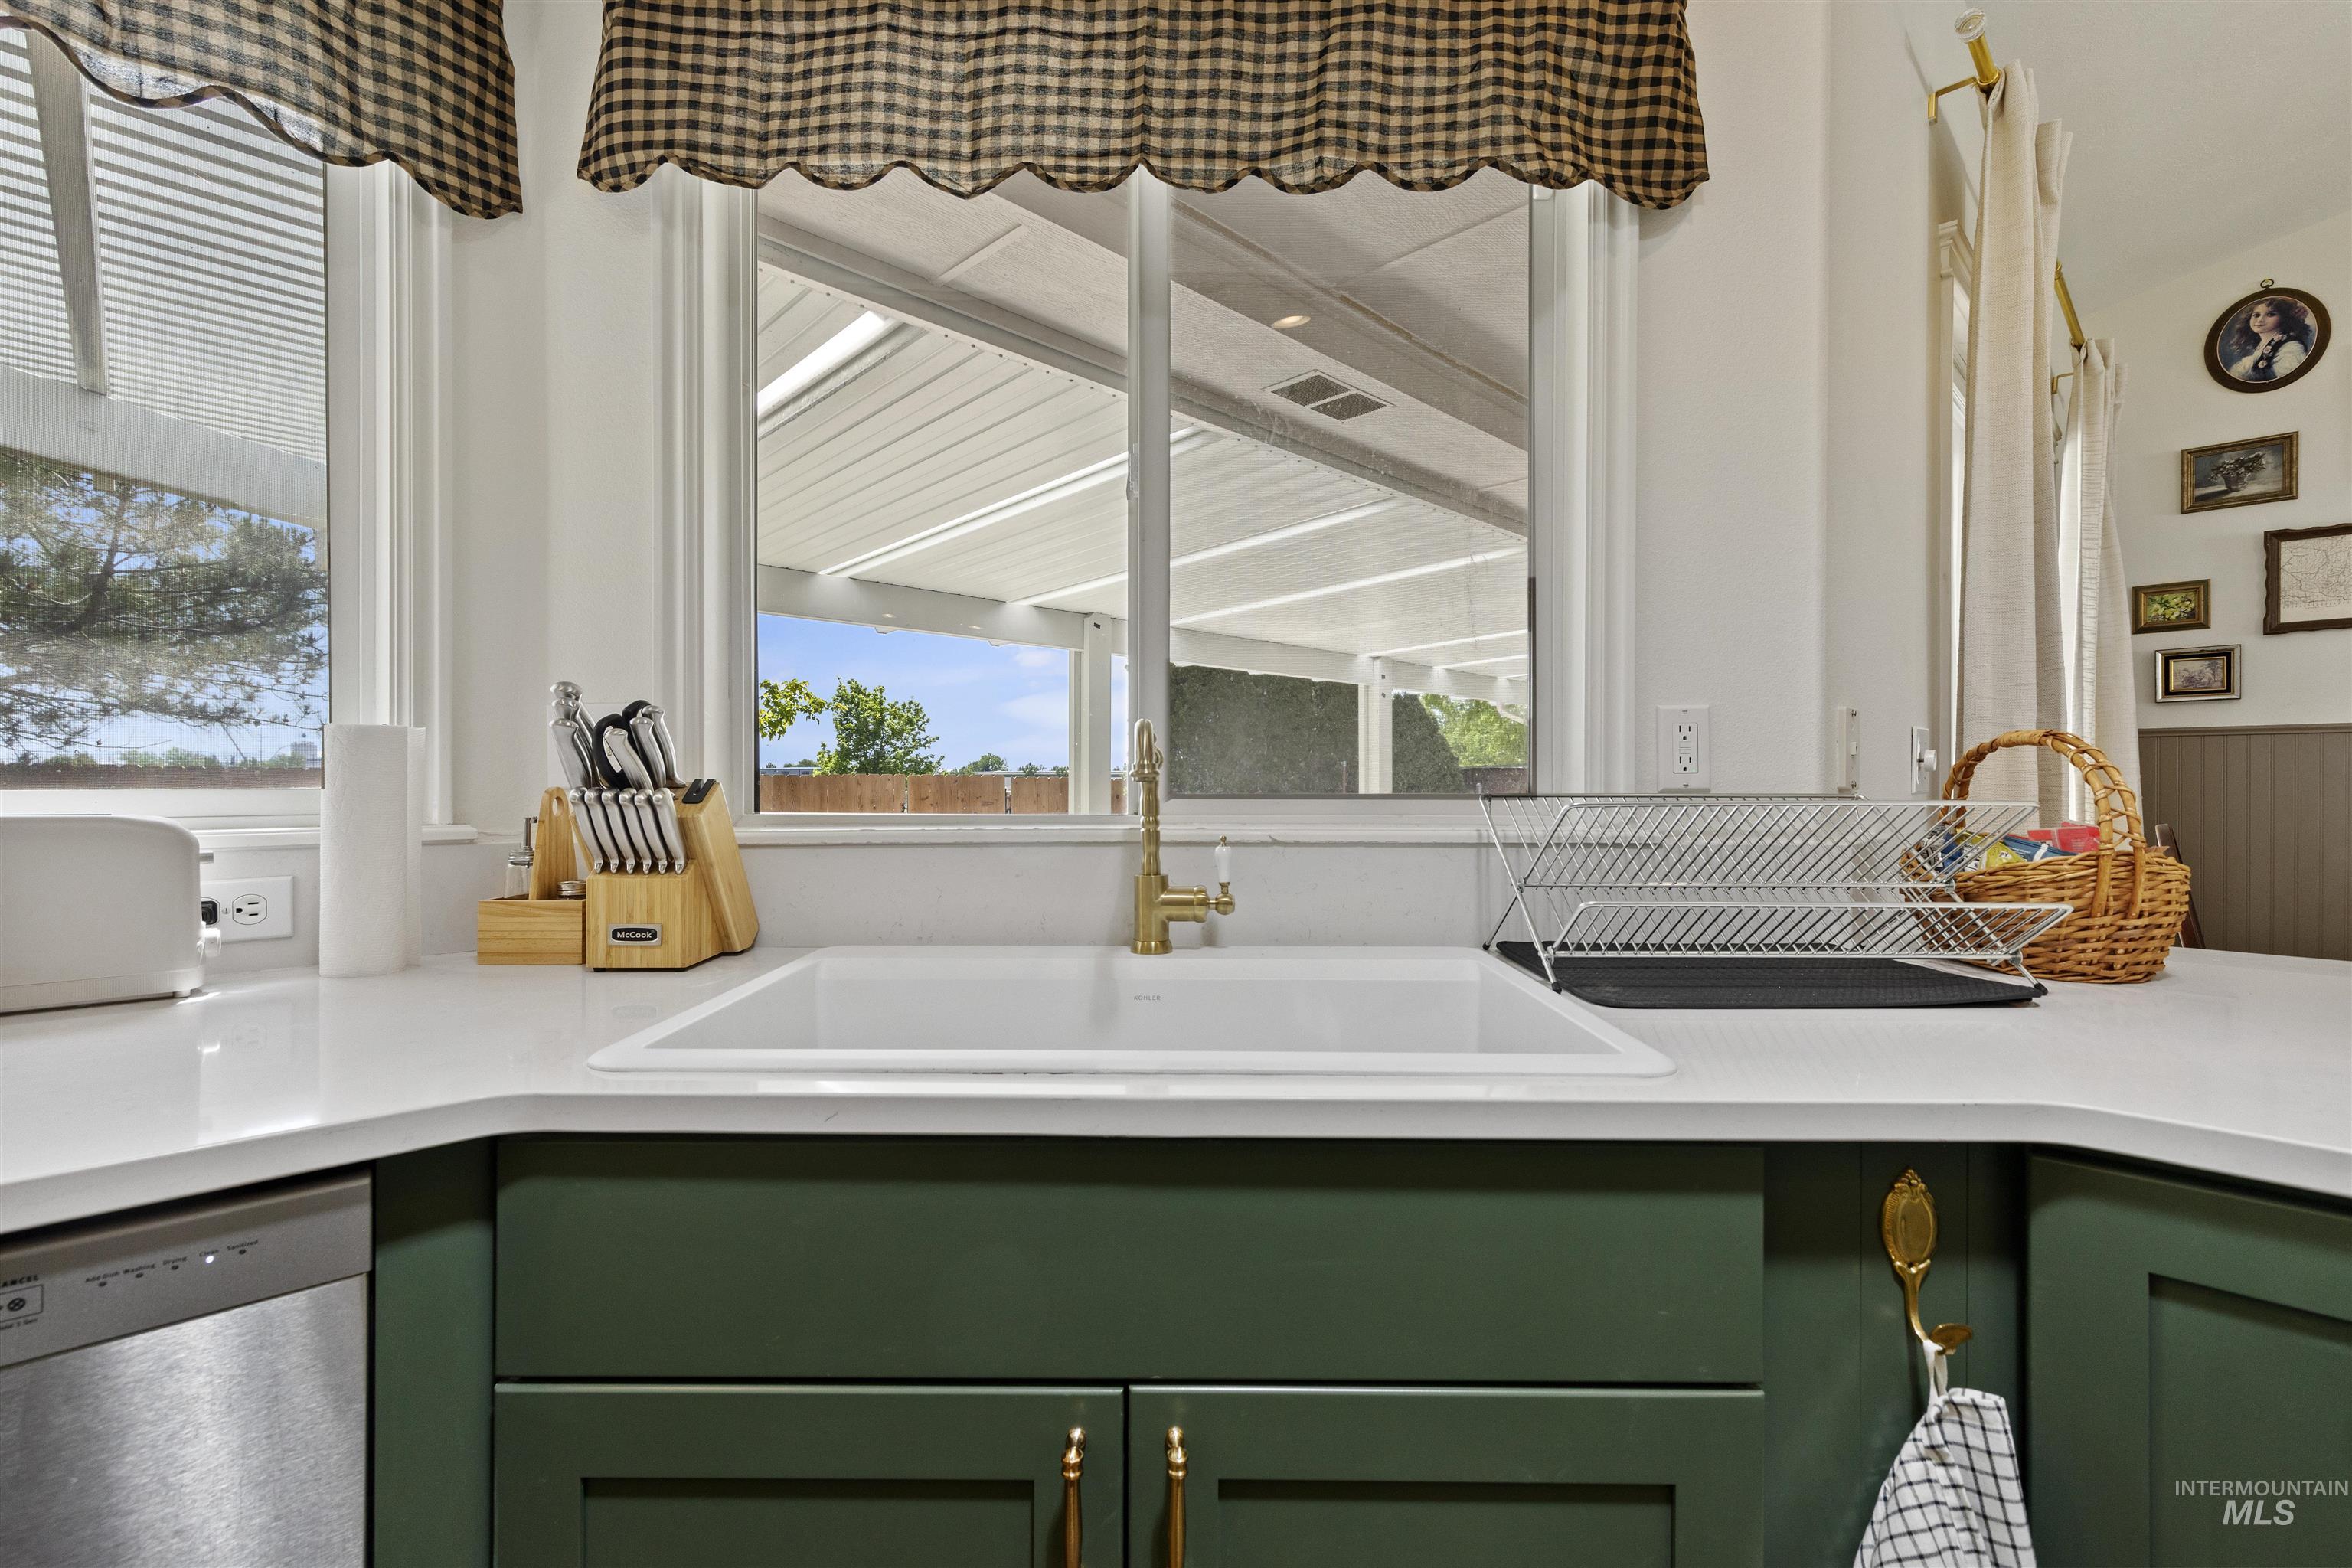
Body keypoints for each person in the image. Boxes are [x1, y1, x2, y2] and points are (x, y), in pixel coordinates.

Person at [2223, 296, 2314, 381]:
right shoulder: (2260, 344)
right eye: (2257, 315)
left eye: (2270, 314)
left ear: (2284, 318)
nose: (2260, 320)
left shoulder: (2291, 347)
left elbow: (2286, 379)